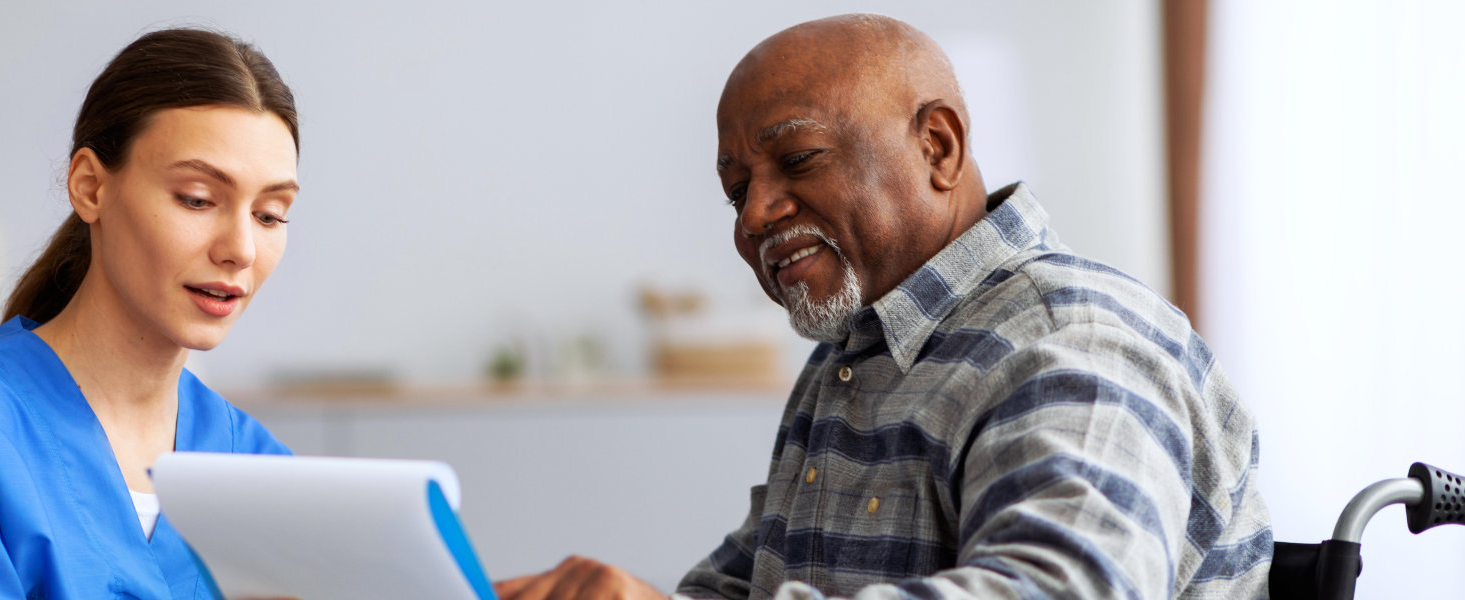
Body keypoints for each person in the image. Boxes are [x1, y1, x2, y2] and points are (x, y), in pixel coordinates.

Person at [495, 14, 1269, 600]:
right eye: (736, 189)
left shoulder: (1076, 341)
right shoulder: (849, 362)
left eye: (797, 159)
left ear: (938, 146)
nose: (754, 214)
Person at [0, 27, 299, 599]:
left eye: (271, 214)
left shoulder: (257, 465)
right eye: (198, 199)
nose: (241, 249)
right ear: (89, 187)